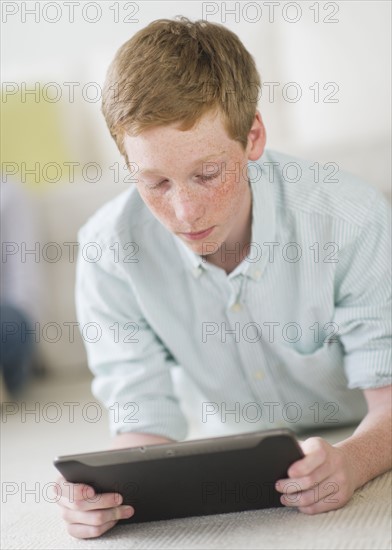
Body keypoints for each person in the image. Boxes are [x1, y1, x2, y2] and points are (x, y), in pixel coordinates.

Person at [56, 17, 391, 539]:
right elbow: (142, 424)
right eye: (156, 183)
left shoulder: (352, 219)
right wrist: (99, 495)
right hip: (228, 456)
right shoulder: (107, 252)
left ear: (253, 136)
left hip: (356, 428)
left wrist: (354, 461)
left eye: (207, 174)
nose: (185, 212)